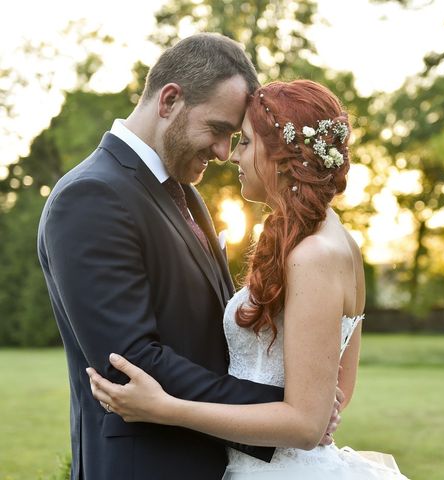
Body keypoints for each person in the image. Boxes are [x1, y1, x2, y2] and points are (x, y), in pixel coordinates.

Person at [37, 34, 339, 480]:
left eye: (234, 137)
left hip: (211, 459)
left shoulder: (186, 193)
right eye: (218, 130)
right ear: (170, 100)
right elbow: (133, 358)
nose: (223, 153)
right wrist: (284, 409)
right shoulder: (90, 196)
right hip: (145, 465)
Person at [86, 80, 409, 479]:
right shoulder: (335, 241)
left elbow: (308, 426)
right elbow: (340, 390)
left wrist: (163, 408)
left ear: (282, 155)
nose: (231, 155)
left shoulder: (315, 256)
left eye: (245, 142)